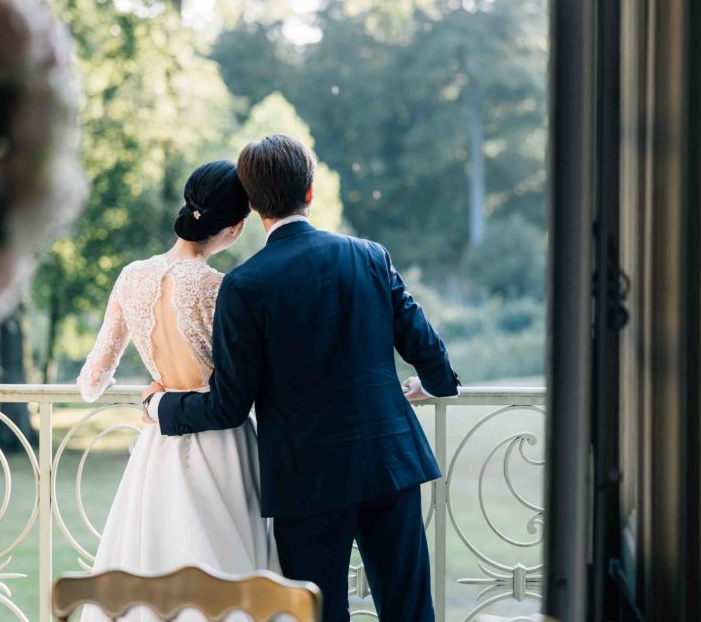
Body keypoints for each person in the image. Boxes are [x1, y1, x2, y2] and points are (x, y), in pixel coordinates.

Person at [142, 134, 460, 622]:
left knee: (317, 614)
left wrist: (160, 406)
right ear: (310, 192)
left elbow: (228, 405)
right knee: (410, 610)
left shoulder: (244, 285)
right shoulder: (370, 255)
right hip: (389, 460)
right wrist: (434, 385)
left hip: (306, 479)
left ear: (252, 205)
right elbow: (427, 349)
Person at [76, 160, 277, 622]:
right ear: (235, 226)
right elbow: (249, 380)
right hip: (223, 443)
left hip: (160, 445)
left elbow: (91, 383)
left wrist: (153, 390)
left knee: (155, 569)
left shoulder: (132, 277)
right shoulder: (220, 288)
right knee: (228, 579)